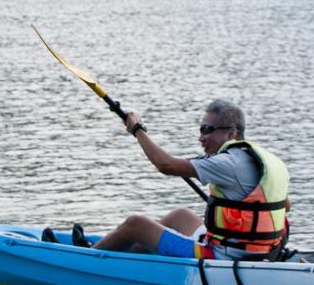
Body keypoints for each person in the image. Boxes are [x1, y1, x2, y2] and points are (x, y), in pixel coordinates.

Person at [47, 99, 291, 260]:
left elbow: (166, 165)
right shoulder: (261, 159)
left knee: (136, 224)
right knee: (180, 216)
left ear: (232, 133)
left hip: (223, 256)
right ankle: (126, 257)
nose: (201, 137)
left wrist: (137, 130)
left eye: (208, 130)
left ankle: (84, 261)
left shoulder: (228, 163)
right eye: (200, 129)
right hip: (259, 250)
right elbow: (284, 206)